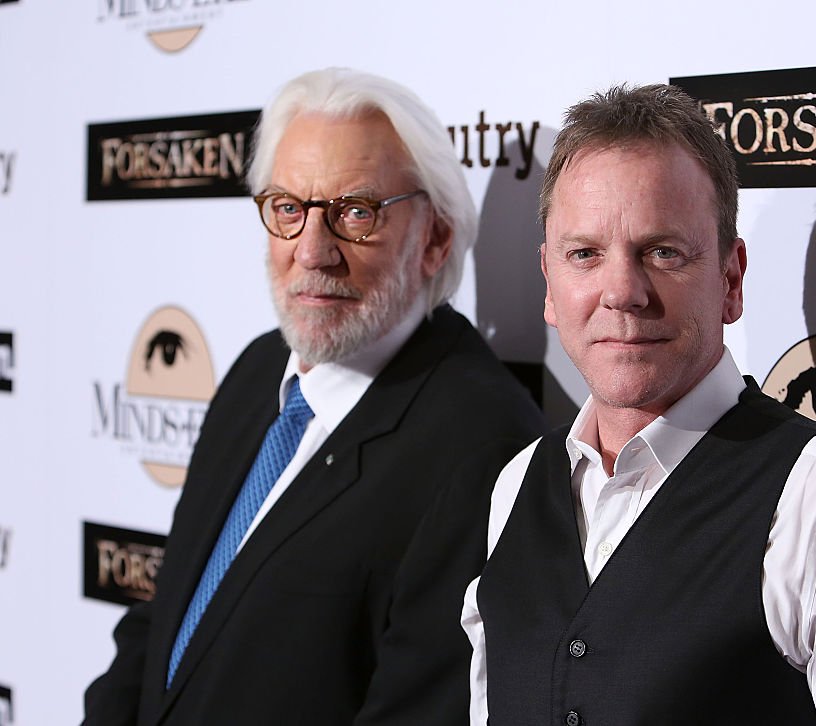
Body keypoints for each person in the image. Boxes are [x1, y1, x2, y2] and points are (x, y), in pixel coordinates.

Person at [461, 84, 816, 725]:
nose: (621, 291)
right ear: (550, 286)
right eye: (584, 254)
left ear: (730, 280)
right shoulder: (517, 485)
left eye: (662, 252)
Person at [83, 67, 545, 726]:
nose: (313, 251)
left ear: (435, 239)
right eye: (288, 209)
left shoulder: (480, 443)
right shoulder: (256, 370)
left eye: (356, 212)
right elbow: (166, 618)